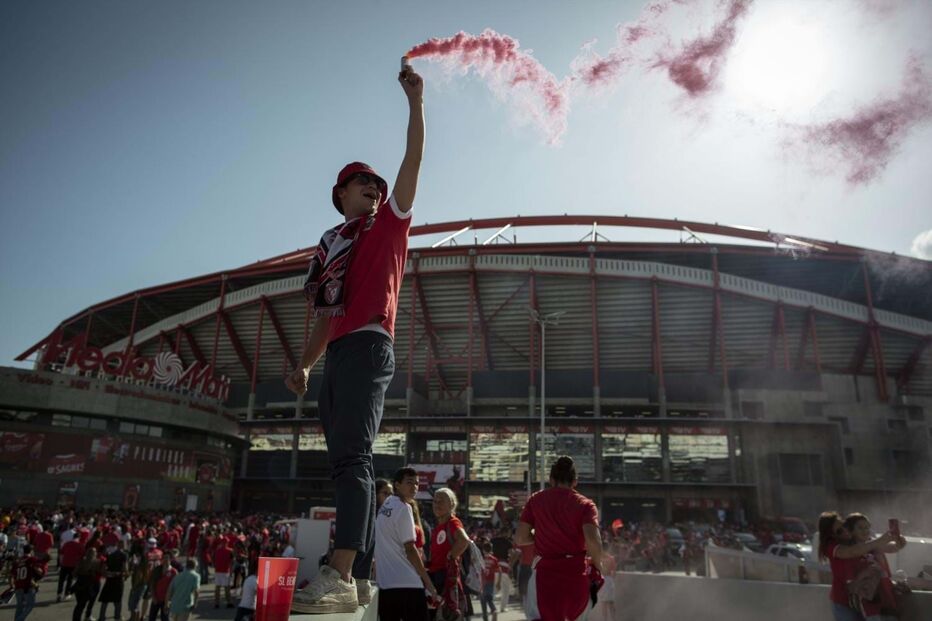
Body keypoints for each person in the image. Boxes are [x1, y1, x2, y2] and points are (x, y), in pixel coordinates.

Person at [286, 61, 425, 615]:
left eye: (376, 183)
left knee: (353, 458)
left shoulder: (389, 224)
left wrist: (416, 105)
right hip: (338, 353)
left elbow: (412, 159)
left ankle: (341, 571)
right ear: (340, 192)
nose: (374, 187)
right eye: (362, 182)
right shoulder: (333, 248)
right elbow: (324, 316)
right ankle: (361, 577)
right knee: (346, 461)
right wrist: (303, 364)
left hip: (370, 346)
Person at [517, 456, 603, 621]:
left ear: (551, 480)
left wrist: (542, 536)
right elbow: (593, 541)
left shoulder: (535, 500)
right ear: (575, 481)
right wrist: (598, 566)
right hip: (576, 576)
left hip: (544, 578)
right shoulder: (586, 505)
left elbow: (520, 538)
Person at [375, 467, 440, 620]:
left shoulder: (386, 506)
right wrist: (429, 584)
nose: (414, 487)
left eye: (417, 484)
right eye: (409, 482)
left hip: (385, 586)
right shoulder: (404, 508)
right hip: (408, 584)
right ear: (397, 485)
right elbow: (410, 549)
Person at [817, 511, 895, 621]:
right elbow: (852, 552)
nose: (845, 531)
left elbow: (887, 548)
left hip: (861, 599)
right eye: (839, 530)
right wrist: (880, 540)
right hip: (843, 600)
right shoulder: (832, 546)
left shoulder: (851, 542)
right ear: (831, 533)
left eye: (845, 527)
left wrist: (897, 541)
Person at [843, 513, 907, 621]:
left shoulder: (874, 545)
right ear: (851, 531)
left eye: (867, 527)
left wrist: (899, 539)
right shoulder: (850, 551)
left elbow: (894, 547)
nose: (865, 530)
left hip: (887, 600)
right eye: (860, 528)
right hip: (870, 603)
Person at [427, 488, 470, 615]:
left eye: (441, 501)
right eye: (435, 501)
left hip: (446, 578)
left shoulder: (453, 522)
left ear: (451, 504)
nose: (437, 504)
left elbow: (464, 540)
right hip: (436, 578)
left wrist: (451, 555)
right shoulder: (438, 526)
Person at [11, 544, 45, 621]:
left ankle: (17, 619)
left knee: (19, 606)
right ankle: (18, 620)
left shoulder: (18, 561)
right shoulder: (31, 559)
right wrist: (40, 571)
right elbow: (38, 569)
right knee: (30, 605)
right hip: (28, 586)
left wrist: (12, 584)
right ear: (31, 551)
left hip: (18, 585)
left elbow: (12, 574)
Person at [98, 538, 128, 621]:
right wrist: (125, 574)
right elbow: (124, 568)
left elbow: (104, 567)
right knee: (118, 599)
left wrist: (107, 574)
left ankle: (101, 617)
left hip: (110, 578)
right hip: (118, 578)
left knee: (105, 599)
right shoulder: (124, 555)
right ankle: (117, 617)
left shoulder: (110, 554)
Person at [71, 546, 102, 621]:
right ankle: (85, 616)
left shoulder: (82, 561)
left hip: (80, 583)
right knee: (84, 603)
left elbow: (74, 573)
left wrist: (80, 573)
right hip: (89, 584)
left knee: (80, 604)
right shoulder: (97, 562)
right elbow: (100, 573)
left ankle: (78, 618)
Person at [148, 552, 177, 621]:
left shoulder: (174, 572)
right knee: (152, 618)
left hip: (166, 600)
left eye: (167, 558)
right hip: (156, 598)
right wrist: (153, 597)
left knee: (165, 618)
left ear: (171, 559)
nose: (166, 560)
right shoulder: (157, 570)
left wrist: (170, 600)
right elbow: (152, 584)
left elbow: (175, 587)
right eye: (164, 558)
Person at [58, 531, 85, 602]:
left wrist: (61, 562)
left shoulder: (67, 543)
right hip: (73, 564)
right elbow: (82, 557)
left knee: (61, 579)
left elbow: (61, 553)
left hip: (64, 563)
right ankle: (66, 594)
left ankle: (59, 593)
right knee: (70, 580)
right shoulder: (80, 545)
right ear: (79, 538)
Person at [479, 541, 500, 621]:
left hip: (482, 581)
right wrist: (498, 582)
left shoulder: (481, 559)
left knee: (483, 602)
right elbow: (499, 571)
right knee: (489, 597)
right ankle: (493, 610)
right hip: (491, 581)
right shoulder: (494, 559)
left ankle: (490, 613)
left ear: (483, 550)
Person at [212, 536, 235, 608]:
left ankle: (216, 603)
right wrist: (231, 572)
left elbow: (213, 559)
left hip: (218, 570)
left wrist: (215, 566)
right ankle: (229, 602)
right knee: (227, 588)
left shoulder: (217, 550)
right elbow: (231, 562)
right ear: (227, 543)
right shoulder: (230, 551)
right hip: (226, 571)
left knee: (217, 587)